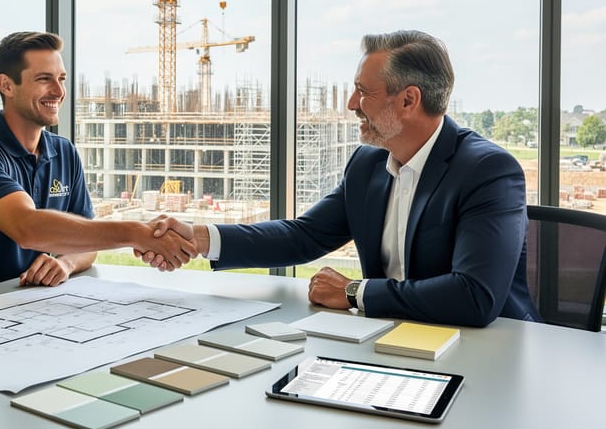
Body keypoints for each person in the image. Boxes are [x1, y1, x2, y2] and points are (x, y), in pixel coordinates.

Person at [143, 30, 542, 327]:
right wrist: (198, 238)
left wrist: (354, 293)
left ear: (408, 100)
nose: (351, 104)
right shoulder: (368, 164)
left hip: (491, 349)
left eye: (362, 92)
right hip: (390, 338)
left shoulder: (489, 171)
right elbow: (304, 236)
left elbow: (474, 297)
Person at [0, 31, 195, 287]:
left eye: (62, 78)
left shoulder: (64, 152)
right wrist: (136, 233)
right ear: (7, 85)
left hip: (34, 302)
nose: (59, 91)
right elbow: (28, 228)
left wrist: (65, 264)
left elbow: (86, 241)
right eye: (44, 79)